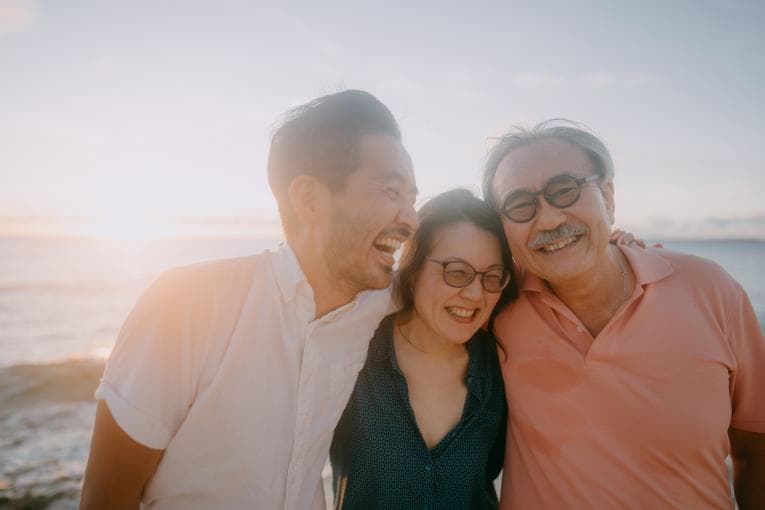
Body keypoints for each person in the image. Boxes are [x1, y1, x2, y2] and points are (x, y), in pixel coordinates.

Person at [80, 90, 419, 510]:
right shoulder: (185, 306)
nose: (411, 218)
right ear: (309, 198)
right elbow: (105, 497)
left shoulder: (380, 304)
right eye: (391, 191)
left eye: (412, 198)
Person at [482, 120, 765, 509]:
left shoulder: (709, 289)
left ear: (608, 196)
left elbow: (757, 442)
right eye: (519, 206)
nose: (547, 220)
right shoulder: (493, 301)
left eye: (564, 191)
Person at [330, 189, 518, 509]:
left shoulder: (502, 364)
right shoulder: (355, 353)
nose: (475, 294)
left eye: (492, 277)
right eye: (457, 272)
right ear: (414, 268)